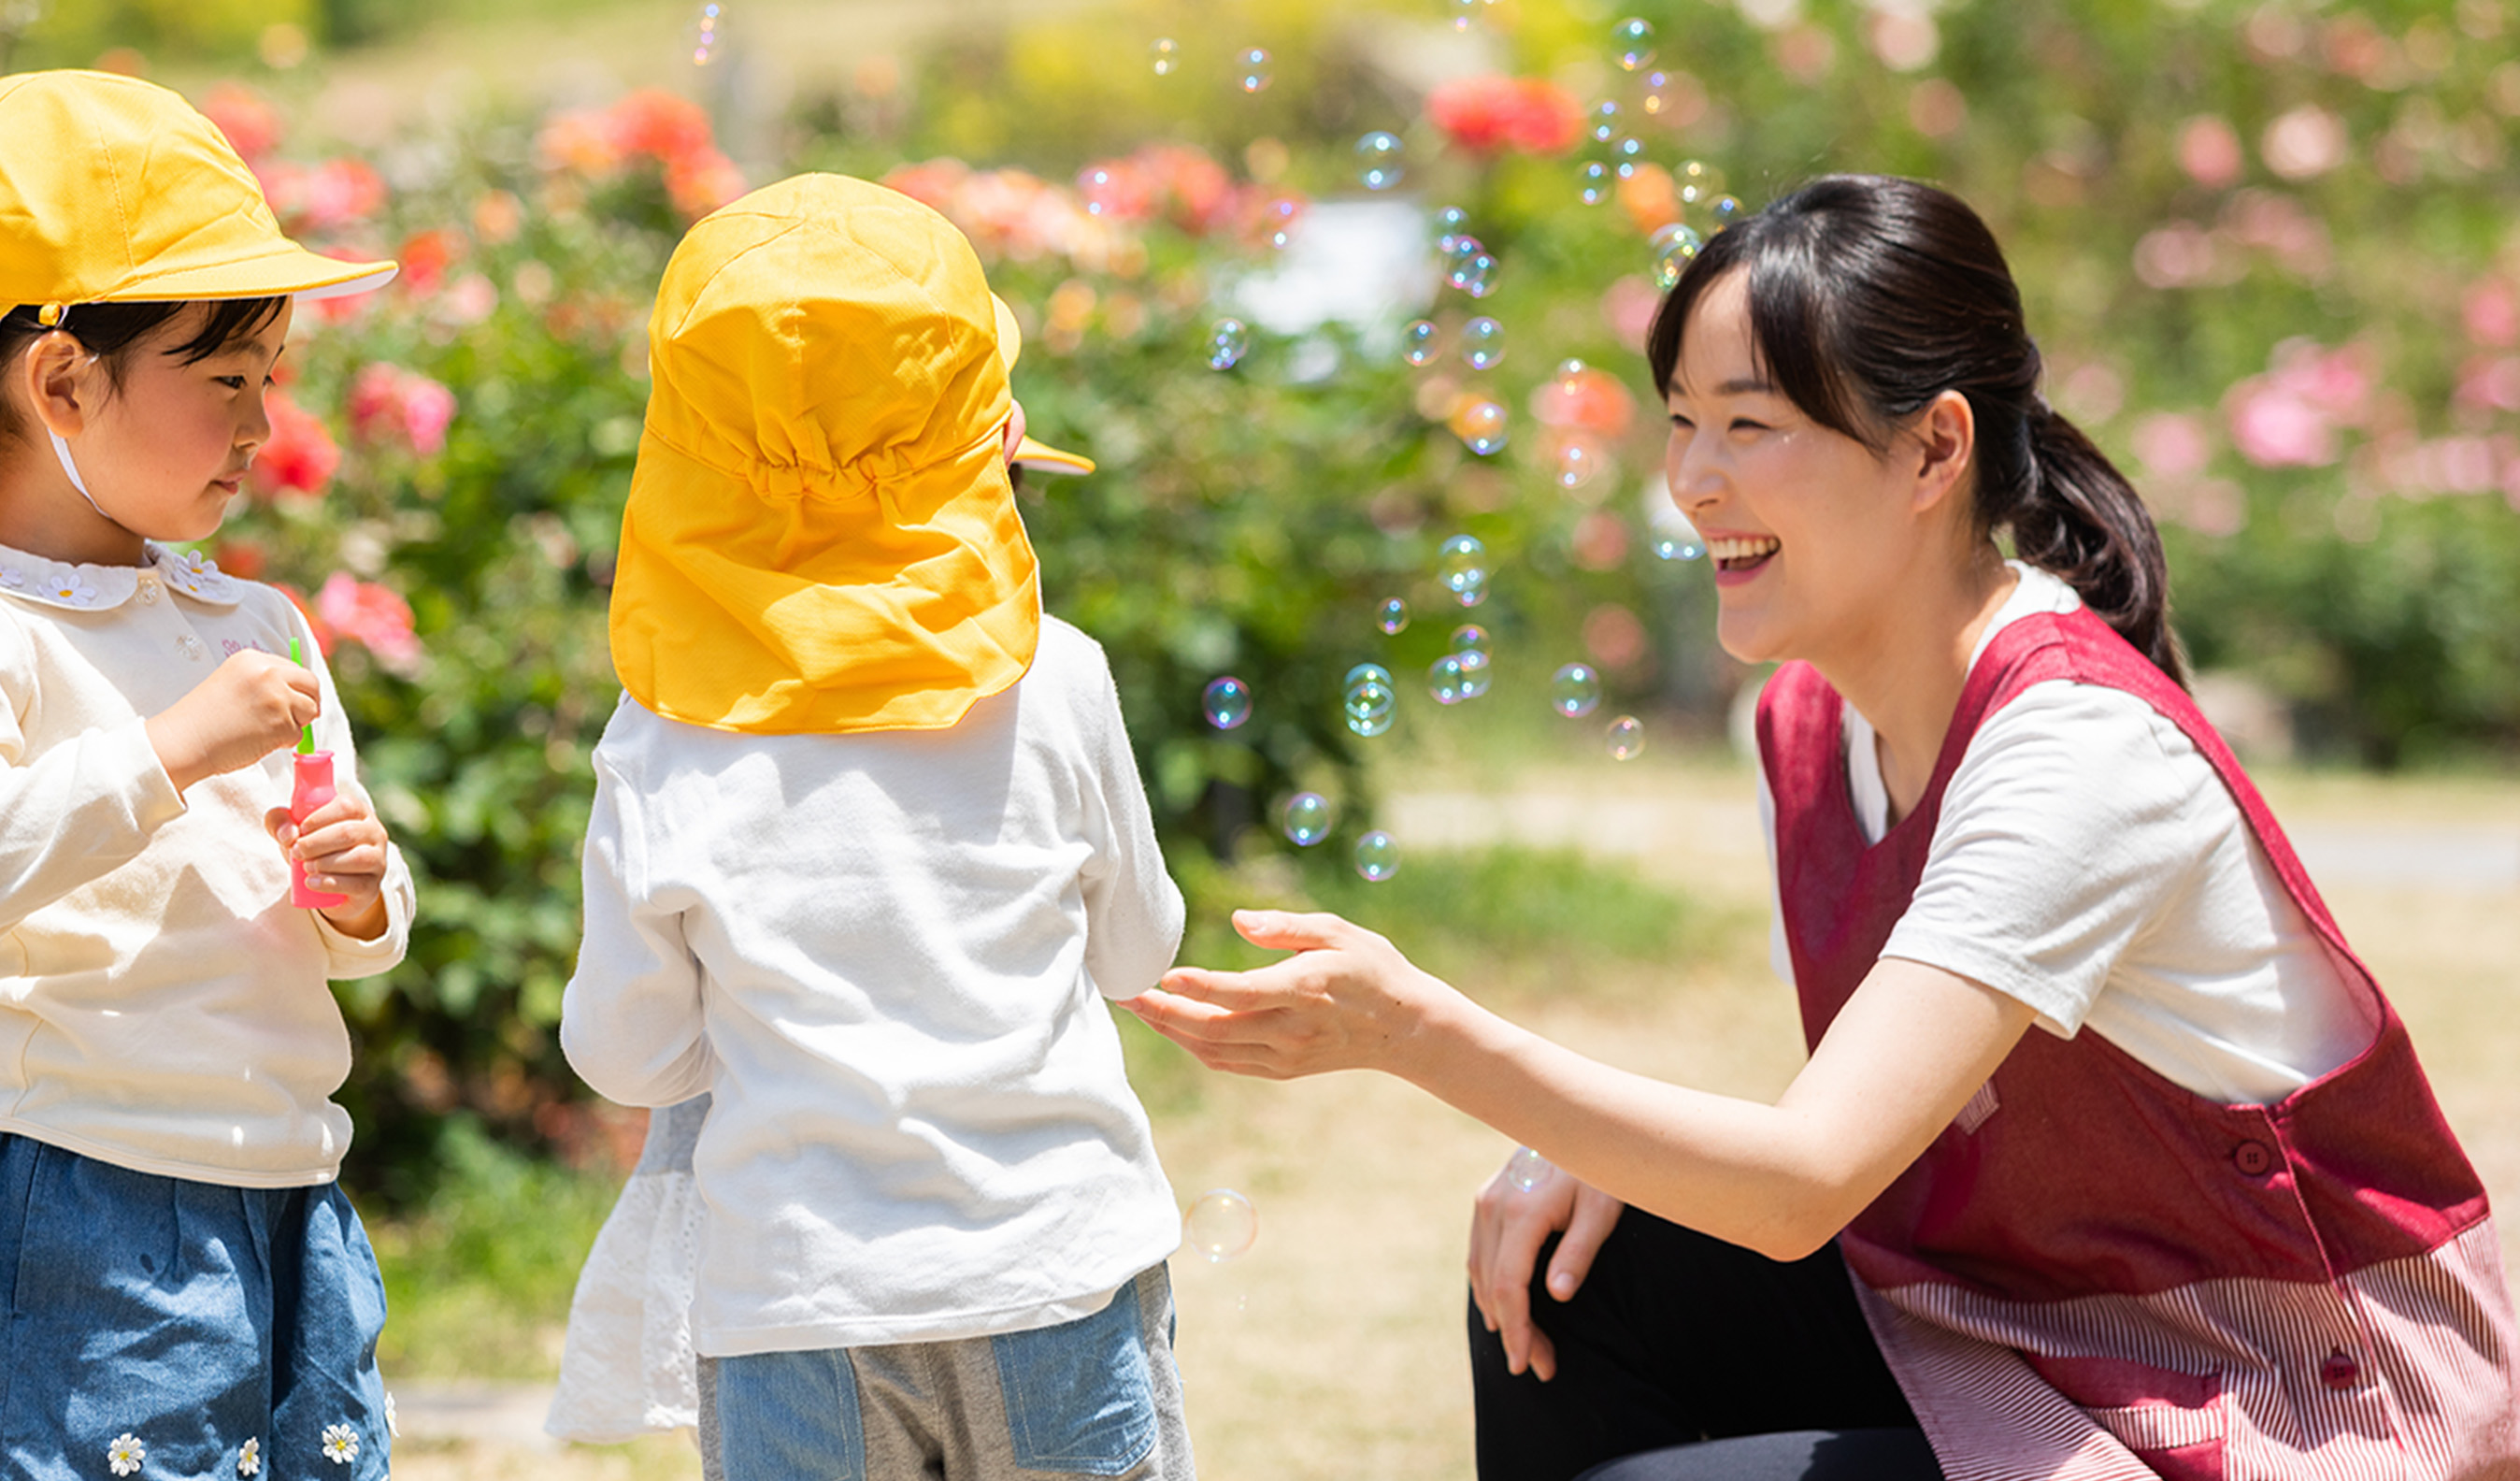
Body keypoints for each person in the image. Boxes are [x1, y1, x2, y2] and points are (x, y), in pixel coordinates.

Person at [1123, 174, 2520, 1481]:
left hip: (2286, 1409)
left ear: (1934, 449)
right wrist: (1585, 1148)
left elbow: (1804, 1185)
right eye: (1680, 420)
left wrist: (1411, 1031)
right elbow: (1859, 1125)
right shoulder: (1804, 724)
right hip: (2025, 1326)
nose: (1693, 481)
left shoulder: (2076, 753)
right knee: (1577, 1258)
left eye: (1752, 426)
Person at [0, 72, 417, 1481]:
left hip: (291, 1185)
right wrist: (171, 748)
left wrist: (361, 893)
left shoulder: (253, 623)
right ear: (63, 382)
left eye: (269, 380)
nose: (260, 426)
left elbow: (349, 917)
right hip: (78, 1191)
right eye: (224, 381)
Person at [556, 172, 1196, 1480]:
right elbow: (1137, 952)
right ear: (976, 431)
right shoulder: (1057, 676)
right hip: (1057, 1267)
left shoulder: (664, 729)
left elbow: (630, 1056)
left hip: (795, 1304)